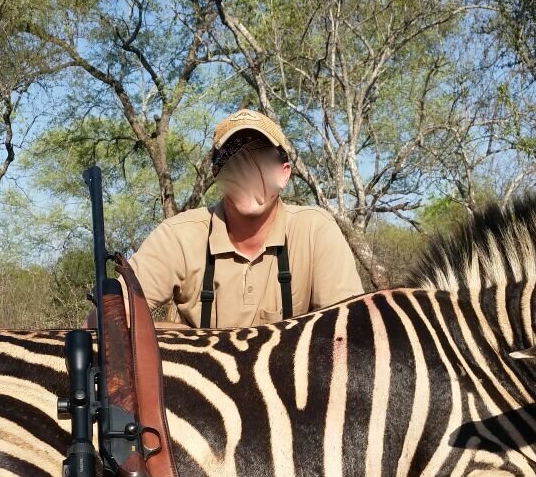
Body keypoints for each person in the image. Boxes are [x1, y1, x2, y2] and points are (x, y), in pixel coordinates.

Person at [128, 109, 363, 329]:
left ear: (284, 173)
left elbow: (349, 332)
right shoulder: (178, 235)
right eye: (234, 162)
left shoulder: (315, 230)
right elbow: (109, 319)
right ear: (217, 175)